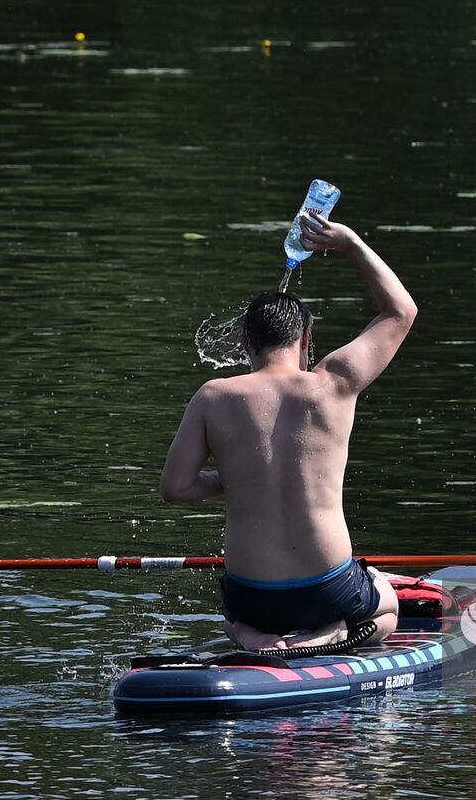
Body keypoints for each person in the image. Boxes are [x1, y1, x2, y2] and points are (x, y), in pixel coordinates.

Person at [159, 212, 417, 651]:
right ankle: (328, 633)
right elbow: (401, 310)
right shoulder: (335, 382)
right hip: (327, 587)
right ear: (305, 339)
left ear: (245, 344)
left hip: (252, 595)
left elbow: (175, 488)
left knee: (235, 617)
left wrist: (240, 479)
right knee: (389, 606)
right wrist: (350, 243)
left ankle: (250, 635)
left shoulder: (213, 395)